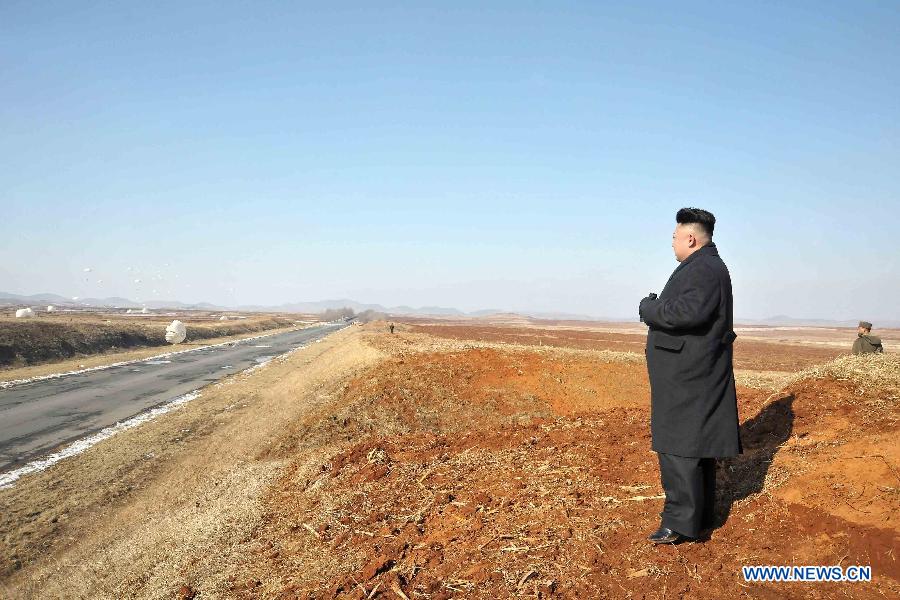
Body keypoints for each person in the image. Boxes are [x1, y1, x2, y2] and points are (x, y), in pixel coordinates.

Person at [638, 207, 742, 544]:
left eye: (674, 237)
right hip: (691, 375)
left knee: (680, 447)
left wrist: (649, 307)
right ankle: (698, 518)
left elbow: (687, 312)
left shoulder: (704, 268)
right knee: (692, 448)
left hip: (689, 379)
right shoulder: (705, 266)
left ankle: (681, 524)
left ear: (691, 238)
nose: (671, 243)